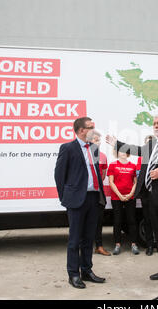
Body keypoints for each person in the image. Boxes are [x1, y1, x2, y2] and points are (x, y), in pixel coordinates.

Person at [106, 114, 158, 286]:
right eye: (154, 124)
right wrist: (117, 144)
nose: (156, 126)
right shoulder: (152, 144)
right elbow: (136, 149)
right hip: (152, 198)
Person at [54, 117, 107, 289]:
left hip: (93, 198)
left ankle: (87, 271)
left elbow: (96, 173)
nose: (94, 129)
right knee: (75, 240)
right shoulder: (68, 148)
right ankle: (74, 274)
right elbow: (59, 175)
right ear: (81, 130)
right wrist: (65, 197)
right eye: (91, 127)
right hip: (76, 200)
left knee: (88, 238)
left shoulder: (94, 148)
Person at [108, 149, 139, 255]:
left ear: (128, 153)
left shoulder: (133, 165)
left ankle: (134, 244)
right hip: (117, 198)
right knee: (117, 221)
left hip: (130, 197)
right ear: (117, 153)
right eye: (120, 151)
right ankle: (117, 245)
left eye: (124, 151)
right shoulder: (112, 165)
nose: (122, 153)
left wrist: (130, 194)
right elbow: (111, 182)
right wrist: (120, 195)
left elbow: (135, 182)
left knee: (132, 220)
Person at [90, 130, 111, 256]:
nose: (98, 142)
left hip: (99, 193)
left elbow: (102, 175)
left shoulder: (103, 156)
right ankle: (85, 247)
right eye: (95, 140)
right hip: (86, 193)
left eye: (99, 140)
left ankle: (99, 246)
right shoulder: (84, 154)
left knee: (98, 221)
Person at [136, 135, 156, 256]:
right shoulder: (141, 159)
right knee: (147, 221)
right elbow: (139, 176)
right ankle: (149, 246)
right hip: (146, 194)